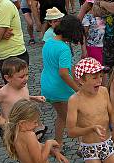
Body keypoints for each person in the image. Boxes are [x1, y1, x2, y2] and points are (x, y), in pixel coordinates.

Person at [40, 15, 83, 146]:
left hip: (47, 85)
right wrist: (78, 90)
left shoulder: (49, 42)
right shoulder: (63, 48)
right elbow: (64, 73)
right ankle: (85, 146)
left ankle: (58, 143)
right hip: (60, 89)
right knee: (76, 119)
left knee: (61, 116)